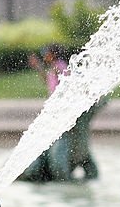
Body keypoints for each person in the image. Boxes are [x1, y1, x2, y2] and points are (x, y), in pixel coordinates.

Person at [20, 44, 105, 181]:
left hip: (63, 109)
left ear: (53, 54)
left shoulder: (60, 66)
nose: (44, 56)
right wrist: (37, 67)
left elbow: (69, 83)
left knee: (62, 142)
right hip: (56, 109)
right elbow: (47, 80)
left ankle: (62, 176)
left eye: (46, 53)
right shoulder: (53, 68)